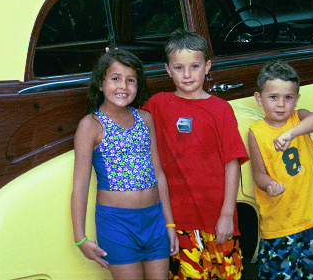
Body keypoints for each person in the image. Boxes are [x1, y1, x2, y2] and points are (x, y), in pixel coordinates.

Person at [143, 29, 248, 280]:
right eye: (179, 67)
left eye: (195, 66)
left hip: (218, 219)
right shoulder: (158, 104)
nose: (187, 74)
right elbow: (128, 122)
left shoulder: (221, 109)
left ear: (207, 66)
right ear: (167, 69)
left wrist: (226, 215)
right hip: (179, 222)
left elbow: (232, 164)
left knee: (228, 275)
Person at [71, 48, 178, 280]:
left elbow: (158, 173)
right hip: (117, 224)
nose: (123, 86)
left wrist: (169, 225)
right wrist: (79, 238)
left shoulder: (145, 118)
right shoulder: (90, 126)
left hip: (155, 220)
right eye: (115, 78)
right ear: (101, 84)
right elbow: (80, 185)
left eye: (131, 80)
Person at [247, 61, 313, 280]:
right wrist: (269, 185)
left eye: (288, 97)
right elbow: (258, 173)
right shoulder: (256, 132)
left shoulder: (299, 119)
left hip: (312, 221)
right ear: (259, 99)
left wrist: (291, 133)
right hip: (278, 226)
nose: (281, 104)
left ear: (296, 99)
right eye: (273, 97)